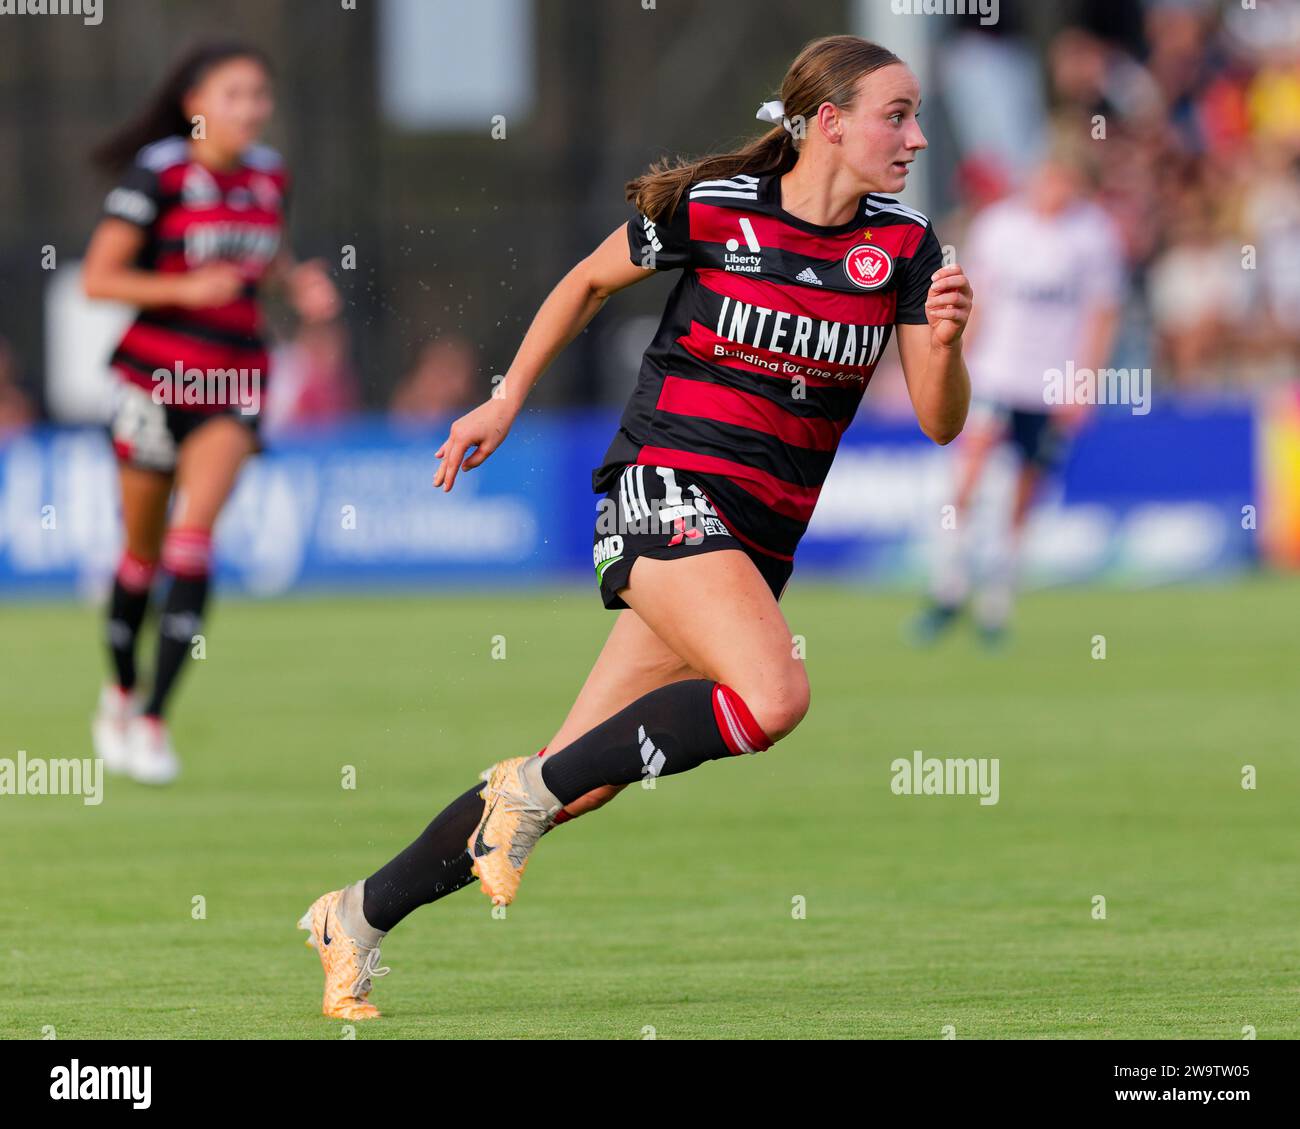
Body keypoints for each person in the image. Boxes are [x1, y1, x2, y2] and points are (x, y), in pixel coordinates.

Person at [300, 34, 971, 1021]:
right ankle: (521, 795)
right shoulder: (716, 208)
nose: (913, 135)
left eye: (914, 117)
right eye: (896, 114)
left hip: (754, 541)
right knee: (774, 695)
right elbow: (583, 284)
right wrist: (503, 401)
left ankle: (357, 914)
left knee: (582, 774)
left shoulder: (908, 249)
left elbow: (939, 417)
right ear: (829, 123)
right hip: (662, 490)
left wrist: (949, 345)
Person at [83, 41, 340, 784]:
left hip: (232, 382)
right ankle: (122, 690)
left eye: (260, 95)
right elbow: (99, 278)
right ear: (197, 105)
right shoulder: (160, 172)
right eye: (235, 95)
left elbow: (271, 257)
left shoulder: (268, 174)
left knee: (192, 542)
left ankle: (157, 717)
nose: (252, 109)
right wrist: (183, 291)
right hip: (151, 383)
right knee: (140, 555)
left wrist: (300, 286)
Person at [909, 143, 1122, 646]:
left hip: (1049, 383)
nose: (1055, 190)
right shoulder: (999, 227)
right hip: (995, 376)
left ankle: (995, 605)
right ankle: (949, 588)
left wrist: (1083, 384)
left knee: (1024, 497)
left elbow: (1100, 315)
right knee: (967, 480)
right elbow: (976, 305)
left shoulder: (1093, 235)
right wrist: (953, 361)